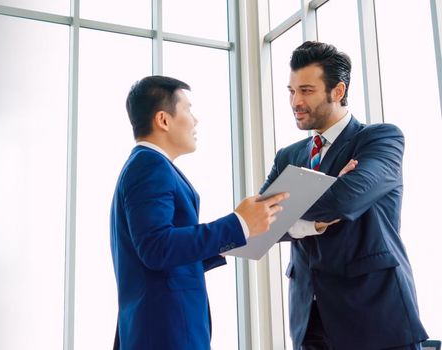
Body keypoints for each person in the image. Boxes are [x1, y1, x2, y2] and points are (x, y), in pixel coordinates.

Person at [261, 41, 427, 350]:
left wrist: (304, 201)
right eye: (291, 91)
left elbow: (344, 200)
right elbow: (263, 223)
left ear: (338, 91)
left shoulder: (380, 139)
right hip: (309, 320)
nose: (295, 101)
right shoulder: (288, 156)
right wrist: (327, 193)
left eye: (306, 91)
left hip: (374, 314)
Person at [111, 75, 288, 350]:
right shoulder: (149, 166)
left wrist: (233, 238)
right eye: (188, 109)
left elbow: (164, 253)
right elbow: (156, 247)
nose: (195, 120)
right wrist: (237, 224)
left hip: (163, 328)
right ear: (163, 120)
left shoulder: (148, 165)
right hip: (165, 333)